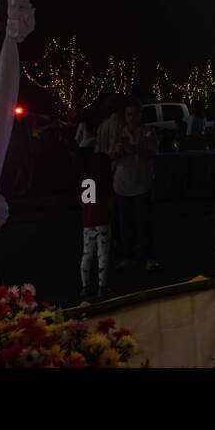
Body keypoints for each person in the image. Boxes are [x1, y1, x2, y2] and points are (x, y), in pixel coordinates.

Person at [111, 100, 160, 272]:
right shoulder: (119, 132)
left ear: (140, 115)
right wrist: (117, 152)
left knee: (143, 221)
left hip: (141, 182)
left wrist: (133, 149)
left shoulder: (148, 131)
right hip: (122, 183)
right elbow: (111, 155)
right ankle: (129, 256)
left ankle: (149, 257)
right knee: (125, 224)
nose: (131, 118)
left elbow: (152, 153)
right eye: (128, 115)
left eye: (134, 114)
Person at [78, 117, 114, 301]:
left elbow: (85, 203)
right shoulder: (106, 184)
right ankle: (102, 286)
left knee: (87, 254)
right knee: (103, 254)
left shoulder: (87, 182)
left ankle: (85, 287)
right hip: (103, 222)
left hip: (88, 223)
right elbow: (109, 205)